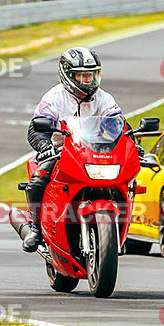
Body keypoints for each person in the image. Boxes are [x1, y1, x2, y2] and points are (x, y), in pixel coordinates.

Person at [20, 47, 124, 252]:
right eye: (83, 75)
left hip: (96, 153)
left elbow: (118, 125)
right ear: (68, 75)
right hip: (60, 152)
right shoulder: (54, 98)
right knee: (39, 179)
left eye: (92, 75)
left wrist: (132, 146)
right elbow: (35, 128)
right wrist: (45, 146)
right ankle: (36, 228)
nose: (88, 80)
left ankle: (120, 227)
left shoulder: (104, 98)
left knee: (128, 180)